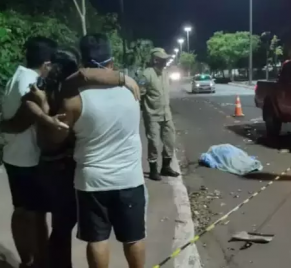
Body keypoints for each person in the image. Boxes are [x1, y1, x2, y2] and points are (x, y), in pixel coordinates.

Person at [1, 49, 141, 268]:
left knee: (54, 223)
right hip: (63, 166)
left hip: (49, 166)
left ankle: (42, 262)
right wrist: (47, 116)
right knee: (64, 226)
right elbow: (55, 134)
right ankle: (45, 262)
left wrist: (42, 113)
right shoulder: (70, 91)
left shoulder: (47, 89)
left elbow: (30, 108)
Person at [0, 36, 57, 268]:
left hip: (14, 157)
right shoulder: (32, 81)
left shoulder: (17, 76)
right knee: (36, 215)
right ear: (46, 64)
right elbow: (23, 120)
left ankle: (27, 261)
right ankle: (38, 261)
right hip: (29, 160)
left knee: (22, 211)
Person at [139, 48, 180, 181]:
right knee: (154, 143)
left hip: (166, 115)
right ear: (155, 60)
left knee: (170, 141)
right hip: (152, 115)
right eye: (162, 59)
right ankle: (153, 170)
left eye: (165, 59)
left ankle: (166, 167)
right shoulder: (146, 75)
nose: (165, 62)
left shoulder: (165, 73)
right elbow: (139, 94)